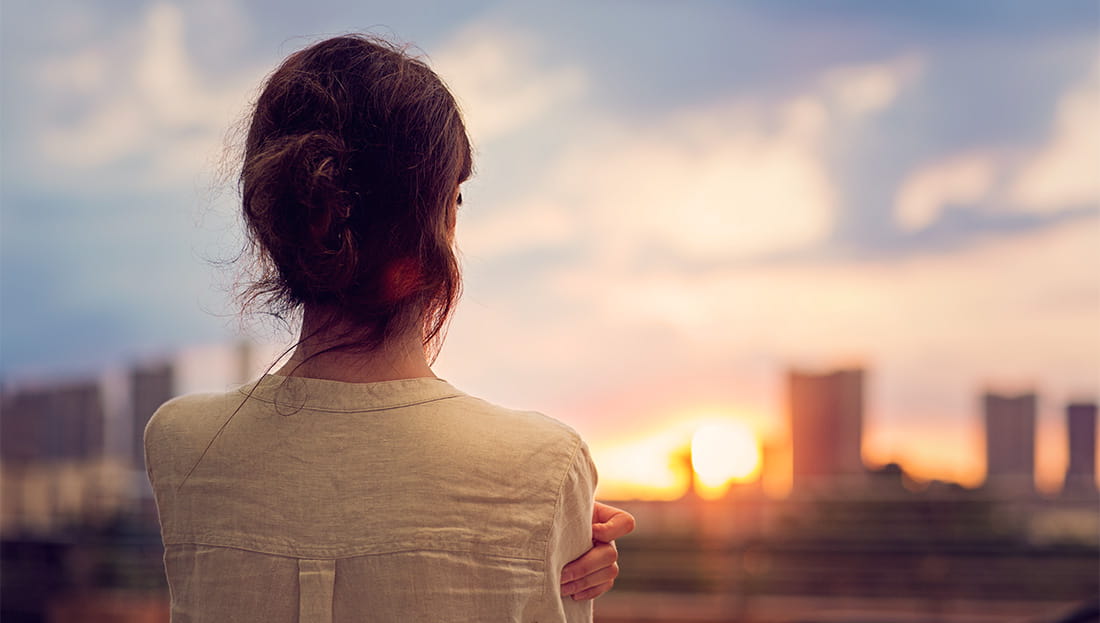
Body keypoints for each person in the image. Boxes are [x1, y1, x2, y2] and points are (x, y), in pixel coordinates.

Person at [144, 34, 633, 622]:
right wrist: (548, 523)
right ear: (442, 215)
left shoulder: (182, 443)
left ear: (279, 217)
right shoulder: (547, 464)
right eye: (456, 197)